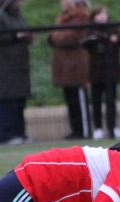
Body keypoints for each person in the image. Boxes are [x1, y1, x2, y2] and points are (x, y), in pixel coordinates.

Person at [82, 5, 120, 140]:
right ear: (93, 17)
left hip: (111, 73)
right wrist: (98, 38)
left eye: (104, 14)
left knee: (111, 102)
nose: (102, 17)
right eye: (99, 14)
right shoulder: (90, 31)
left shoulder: (113, 29)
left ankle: (113, 127)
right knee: (96, 102)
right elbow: (84, 42)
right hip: (96, 73)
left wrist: (117, 38)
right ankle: (98, 128)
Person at [0, 0, 33, 145]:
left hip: (19, 66)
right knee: (8, 102)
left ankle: (20, 133)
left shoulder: (16, 14)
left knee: (19, 102)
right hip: (5, 67)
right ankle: (7, 135)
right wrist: (15, 36)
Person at [48, 0, 92, 140]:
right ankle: (75, 129)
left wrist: (56, 36)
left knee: (78, 98)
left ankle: (83, 130)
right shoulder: (62, 16)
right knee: (70, 98)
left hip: (76, 65)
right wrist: (56, 35)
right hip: (63, 65)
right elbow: (52, 35)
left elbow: (72, 37)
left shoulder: (81, 16)